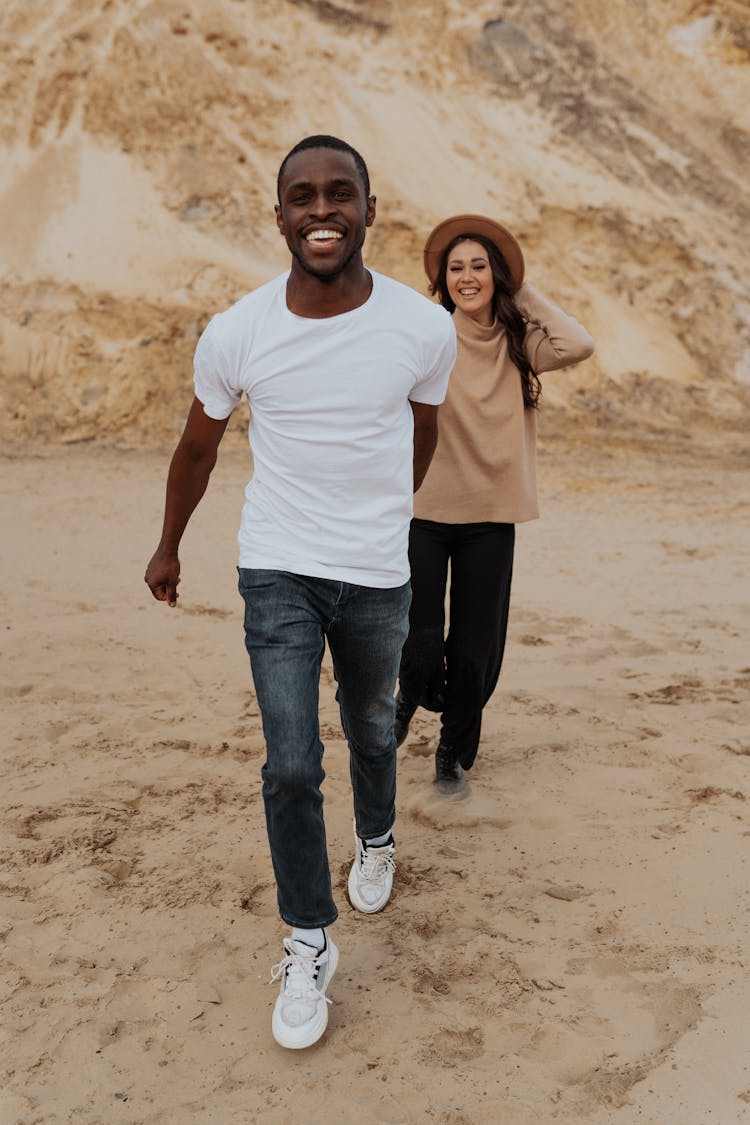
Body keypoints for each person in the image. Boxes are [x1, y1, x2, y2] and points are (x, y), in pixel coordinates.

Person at [144, 136, 456, 1050]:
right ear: (278, 214)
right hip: (276, 563)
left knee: (369, 726)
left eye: (340, 194)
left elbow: (422, 431)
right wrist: (168, 546)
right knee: (288, 760)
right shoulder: (237, 329)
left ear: (369, 208)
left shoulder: (420, 328)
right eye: (303, 197)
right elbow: (198, 447)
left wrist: (390, 515)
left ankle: (377, 834)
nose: (323, 211)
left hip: (375, 570)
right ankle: (308, 936)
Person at [394, 214, 594, 793]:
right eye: (455, 268)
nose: (467, 277)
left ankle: (450, 753)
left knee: (475, 647)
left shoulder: (520, 343)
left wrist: (519, 288)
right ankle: (408, 694)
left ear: (496, 274)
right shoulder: (429, 334)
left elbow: (577, 343)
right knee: (420, 635)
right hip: (424, 514)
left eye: (479, 266)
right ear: (443, 280)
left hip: (490, 518)